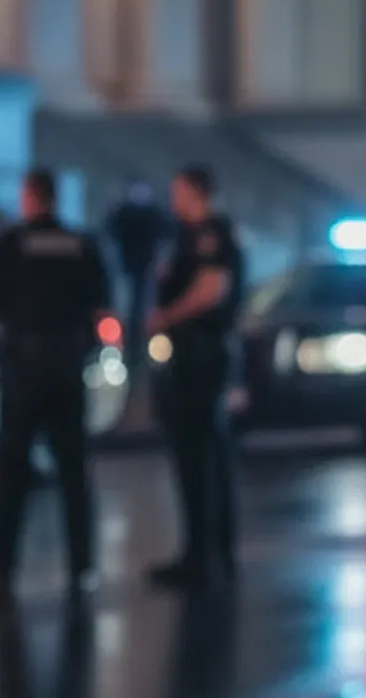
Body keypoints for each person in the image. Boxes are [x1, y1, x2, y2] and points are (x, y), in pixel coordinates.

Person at [0, 169, 114, 606]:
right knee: (74, 471)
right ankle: (83, 567)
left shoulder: (10, 245)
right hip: (69, 368)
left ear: (30, 198)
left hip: (25, 369)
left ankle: (0, 572)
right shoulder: (83, 246)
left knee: (12, 472)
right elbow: (104, 314)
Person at [147, 164, 246, 590]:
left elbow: (211, 290)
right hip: (191, 352)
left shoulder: (210, 235)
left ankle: (206, 555)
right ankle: (203, 551)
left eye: (179, 192)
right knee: (196, 454)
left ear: (195, 192)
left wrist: (167, 314)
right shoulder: (188, 235)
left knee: (200, 453)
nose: (174, 200)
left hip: (200, 353)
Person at [107, 179, 170, 353]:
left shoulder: (145, 214)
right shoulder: (127, 214)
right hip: (128, 271)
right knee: (128, 311)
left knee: (140, 311)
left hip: (141, 272)